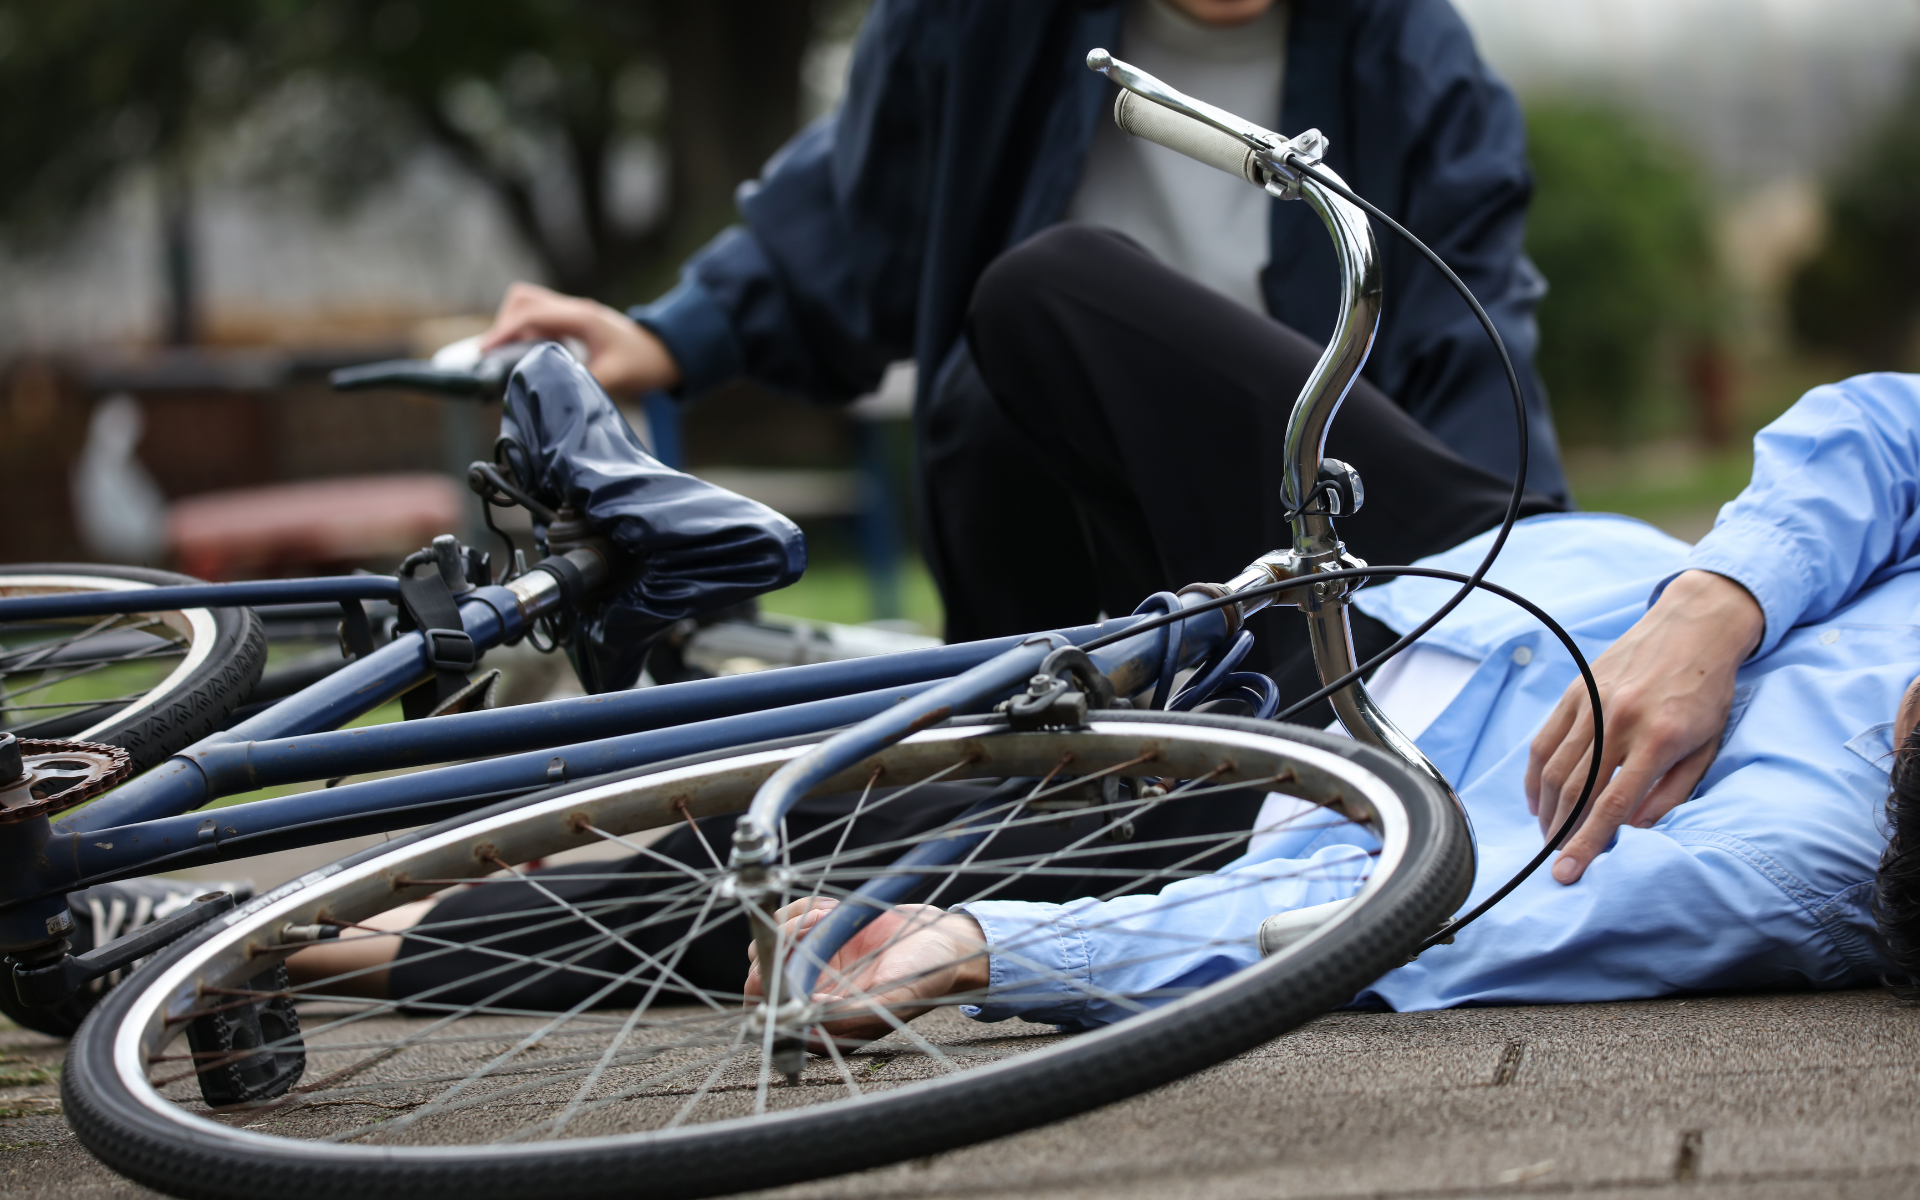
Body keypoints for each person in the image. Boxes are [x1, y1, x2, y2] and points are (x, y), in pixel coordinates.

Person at [290, 370, 1920, 1039]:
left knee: (854, 840)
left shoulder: (1794, 858)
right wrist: (1718, 604)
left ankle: (334, 940)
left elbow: (1422, 922)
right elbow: (1888, 422)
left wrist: (1013, 949)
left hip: (1302, 775)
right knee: (1058, 303)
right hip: (1462, 579)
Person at [476, 0, 1570, 674]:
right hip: (1048, 509)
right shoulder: (981, 22)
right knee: (1000, 359)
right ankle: (1030, 739)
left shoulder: (1418, 58)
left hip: (1313, 513)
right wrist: (670, 337)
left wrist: (1537, 594)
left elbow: (1473, 333)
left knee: (1046, 287)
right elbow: (863, 204)